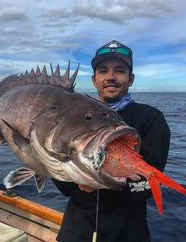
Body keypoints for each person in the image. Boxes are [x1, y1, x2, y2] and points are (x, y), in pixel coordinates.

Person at [53, 40, 171, 242]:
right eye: (103, 71)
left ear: (131, 78)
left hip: (128, 234)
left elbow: (147, 187)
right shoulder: (74, 117)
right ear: (94, 79)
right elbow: (65, 188)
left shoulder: (151, 118)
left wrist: (97, 180)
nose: (110, 77)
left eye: (119, 70)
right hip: (75, 231)